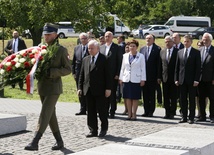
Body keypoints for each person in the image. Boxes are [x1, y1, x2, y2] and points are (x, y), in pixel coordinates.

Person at [24, 23, 72, 151]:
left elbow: (68, 69)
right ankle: (59, 141)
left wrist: (53, 72)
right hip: (42, 86)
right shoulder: (40, 47)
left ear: (55, 35)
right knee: (50, 115)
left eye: (48, 34)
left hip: (54, 87)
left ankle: (35, 141)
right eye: (45, 34)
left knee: (45, 112)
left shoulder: (61, 50)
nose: (46, 36)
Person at [78, 40, 111, 137]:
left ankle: (103, 129)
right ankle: (93, 130)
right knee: (90, 111)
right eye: (89, 48)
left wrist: (108, 88)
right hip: (88, 89)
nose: (90, 50)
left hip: (100, 90)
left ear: (97, 48)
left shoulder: (104, 59)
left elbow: (108, 75)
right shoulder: (86, 59)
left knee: (102, 111)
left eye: (92, 48)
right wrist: (80, 88)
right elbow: (82, 75)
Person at [175, 35, 201, 124]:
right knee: (182, 99)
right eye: (184, 41)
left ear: (191, 42)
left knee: (191, 99)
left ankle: (191, 117)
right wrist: (176, 79)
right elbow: (177, 67)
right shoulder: (180, 52)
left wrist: (196, 80)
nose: (186, 43)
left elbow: (198, 68)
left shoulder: (196, 52)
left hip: (192, 81)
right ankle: (184, 117)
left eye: (187, 42)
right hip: (182, 80)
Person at [119, 39, 146, 120]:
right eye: (130, 46)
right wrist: (121, 78)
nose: (132, 47)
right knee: (127, 97)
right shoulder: (125, 56)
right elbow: (122, 68)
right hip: (126, 79)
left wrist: (143, 79)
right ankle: (129, 114)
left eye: (133, 46)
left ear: (136, 47)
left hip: (136, 79)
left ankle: (134, 114)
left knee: (135, 98)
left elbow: (143, 68)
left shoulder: (140, 56)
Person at [100, 31, 123, 118]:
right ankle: (104, 110)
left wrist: (118, 73)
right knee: (103, 93)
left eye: (109, 36)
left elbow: (120, 62)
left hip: (113, 75)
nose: (107, 37)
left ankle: (112, 111)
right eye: (106, 36)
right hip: (102, 75)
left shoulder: (117, 48)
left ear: (112, 37)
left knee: (112, 94)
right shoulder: (101, 47)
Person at [140, 34, 161, 117]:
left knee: (152, 95)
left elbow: (159, 64)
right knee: (145, 94)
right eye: (147, 38)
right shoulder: (142, 49)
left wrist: (158, 76)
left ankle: (151, 111)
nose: (148, 40)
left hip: (153, 76)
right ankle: (146, 110)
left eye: (149, 38)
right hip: (144, 76)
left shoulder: (157, 49)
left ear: (153, 40)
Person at [158, 36, 179, 119]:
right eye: (166, 42)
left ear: (173, 42)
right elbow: (160, 65)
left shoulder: (177, 52)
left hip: (174, 78)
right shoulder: (162, 51)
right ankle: (167, 112)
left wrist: (177, 78)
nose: (167, 43)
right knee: (165, 96)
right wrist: (159, 77)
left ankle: (172, 112)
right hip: (165, 78)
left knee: (173, 96)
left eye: (169, 41)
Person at [197, 33, 214, 123]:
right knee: (201, 98)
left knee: (212, 99)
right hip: (201, 79)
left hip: (211, 80)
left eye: (206, 39)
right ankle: (202, 116)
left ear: (210, 40)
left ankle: (212, 116)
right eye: (203, 39)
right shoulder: (200, 50)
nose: (205, 41)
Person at [72, 33, 89, 115]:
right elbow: (73, 62)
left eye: (85, 38)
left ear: (88, 39)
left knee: (88, 91)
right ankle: (82, 109)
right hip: (78, 72)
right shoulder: (77, 48)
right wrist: (73, 73)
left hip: (88, 72)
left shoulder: (91, 47)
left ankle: (89, 108)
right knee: (80, 90)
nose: (83, 40)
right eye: (82, 38)